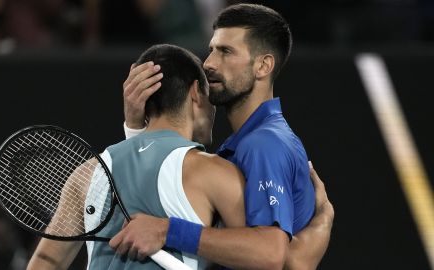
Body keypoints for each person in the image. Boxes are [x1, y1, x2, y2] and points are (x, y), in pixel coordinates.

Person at [110, 3, 334, 270]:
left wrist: (167, 231)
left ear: (263, 66)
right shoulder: (245, 143)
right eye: (212, 50)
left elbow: (273, 255)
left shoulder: (264, 145)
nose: (209, 63)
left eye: (226, 52)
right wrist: (136, 129)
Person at [27, 43, 248, 269]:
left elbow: (46, 261)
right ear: (195, 92)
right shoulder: (214, 172)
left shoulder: (88, 173)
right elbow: (259, 254)